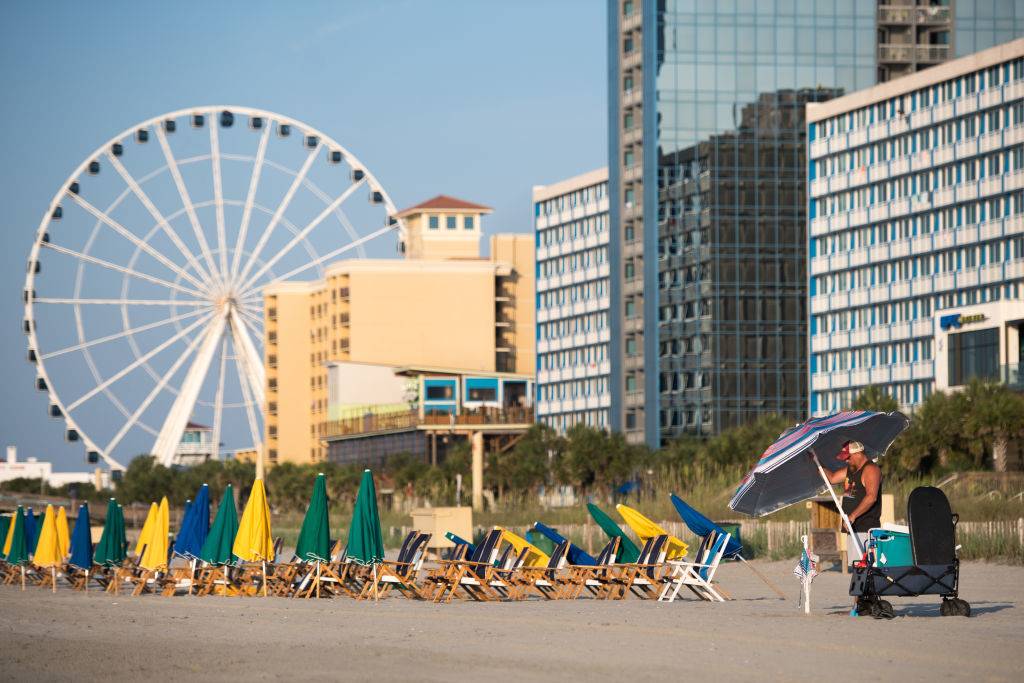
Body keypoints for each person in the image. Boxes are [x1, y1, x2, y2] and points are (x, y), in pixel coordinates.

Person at [827, 440, 882, 564]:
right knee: (857, 568)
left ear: (858, 454)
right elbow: (831, 478)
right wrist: (816, 463)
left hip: (865, 528)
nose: (846, 460)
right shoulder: (850, 471)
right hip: (853, 528)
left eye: (848, 457)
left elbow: (871, 497)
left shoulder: (871, 469)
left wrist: (852, 516)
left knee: (867, 568)